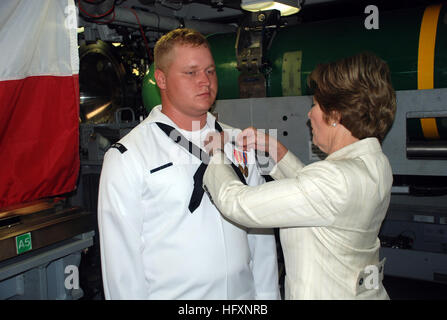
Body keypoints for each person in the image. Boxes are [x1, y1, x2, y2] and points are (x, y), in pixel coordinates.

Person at [97, 28, 280, 300]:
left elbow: (260, 236)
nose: (204, 81)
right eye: (191, 72)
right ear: (161, 79)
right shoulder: (129, 156)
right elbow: (121, 263)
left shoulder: (238, 143)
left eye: (210, 71)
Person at [203, 52, 397, 300]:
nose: (309, 114)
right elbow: (316, 195)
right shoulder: (375, 164)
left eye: (315, 105)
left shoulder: (335, 180)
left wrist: (216, 154)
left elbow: (237, 203)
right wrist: (275, 150)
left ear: (336, 115)